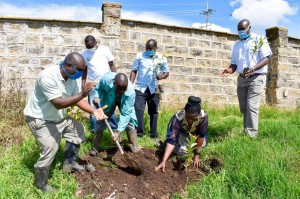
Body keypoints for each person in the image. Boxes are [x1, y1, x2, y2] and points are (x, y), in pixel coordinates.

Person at [23, 52, 107, 192]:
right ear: (68, 65)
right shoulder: (47, 77)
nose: (81, 73)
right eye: (79, 70)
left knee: (78, 129)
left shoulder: (70, 76)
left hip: (58, 117)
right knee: (50, 147)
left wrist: (93, 111)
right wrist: (82, 93)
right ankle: (40, 183)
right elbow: (58, 103)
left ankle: (69, 163)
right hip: (40, 119)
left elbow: (77, 99)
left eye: (83, 70)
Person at [221, 19, 272, 138]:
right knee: (244, 107)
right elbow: (234, 64)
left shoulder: (259, 40)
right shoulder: (237, 45)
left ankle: (251, 136)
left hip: (256, 77)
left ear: (249, 27)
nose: (241, 32)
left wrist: (253, 68)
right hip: (241, 78)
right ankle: (246, 131)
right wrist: (229, 70)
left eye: (243, 30)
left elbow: (267, 59)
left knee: (251, 106)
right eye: (239, 31)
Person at [89, 72, 140, 156]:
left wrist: (118, 131)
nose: (121, 91)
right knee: (101, 119)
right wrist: (96, 96)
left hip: (124, 100)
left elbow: (125, 114)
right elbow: (98, 88)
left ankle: (133, 146)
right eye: (119, 89)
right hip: (109, 101)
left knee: (130, 120)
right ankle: (95, 148)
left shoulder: (130, 92)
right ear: (114, 83)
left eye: (124, 89)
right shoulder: (106, 80)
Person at [155, 96, 208, 173]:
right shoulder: (178, 118)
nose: (190, 121)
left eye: (194, 119)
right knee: (181, 151)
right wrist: (163, 161)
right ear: (185, 112)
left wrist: (196, 155)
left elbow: (201, 136)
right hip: (181, 135)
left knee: (203, 145)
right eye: (188, 117)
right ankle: (166, 148)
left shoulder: (203, 117)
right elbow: (172, 140)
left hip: (194, 135)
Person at [130, 39, 169, 140]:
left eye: (150, 49)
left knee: (153, 112)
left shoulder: (161, 58)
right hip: (140, 88)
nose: (148, 50)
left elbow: (166, 72)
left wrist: (162, 76)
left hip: (153, 88)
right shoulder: (139, 56)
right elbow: (134, 71)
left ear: (155, 48)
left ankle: (153, 134)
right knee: (138, 110)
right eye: (147, 48)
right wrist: (130, 84)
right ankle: (139, 133)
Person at [82, 35, 118, 133]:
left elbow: (112, 65)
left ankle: (115, 129)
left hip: (107, 83)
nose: (90, 49)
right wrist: (83, 84)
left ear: (96, 43)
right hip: (93, 84)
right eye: (88, 47)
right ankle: (95, 131)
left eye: (91, 46)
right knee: (93, 108)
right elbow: (84, 70)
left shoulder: (104, 50)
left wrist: (115, 79)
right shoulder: (84, 54)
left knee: (110, 106)